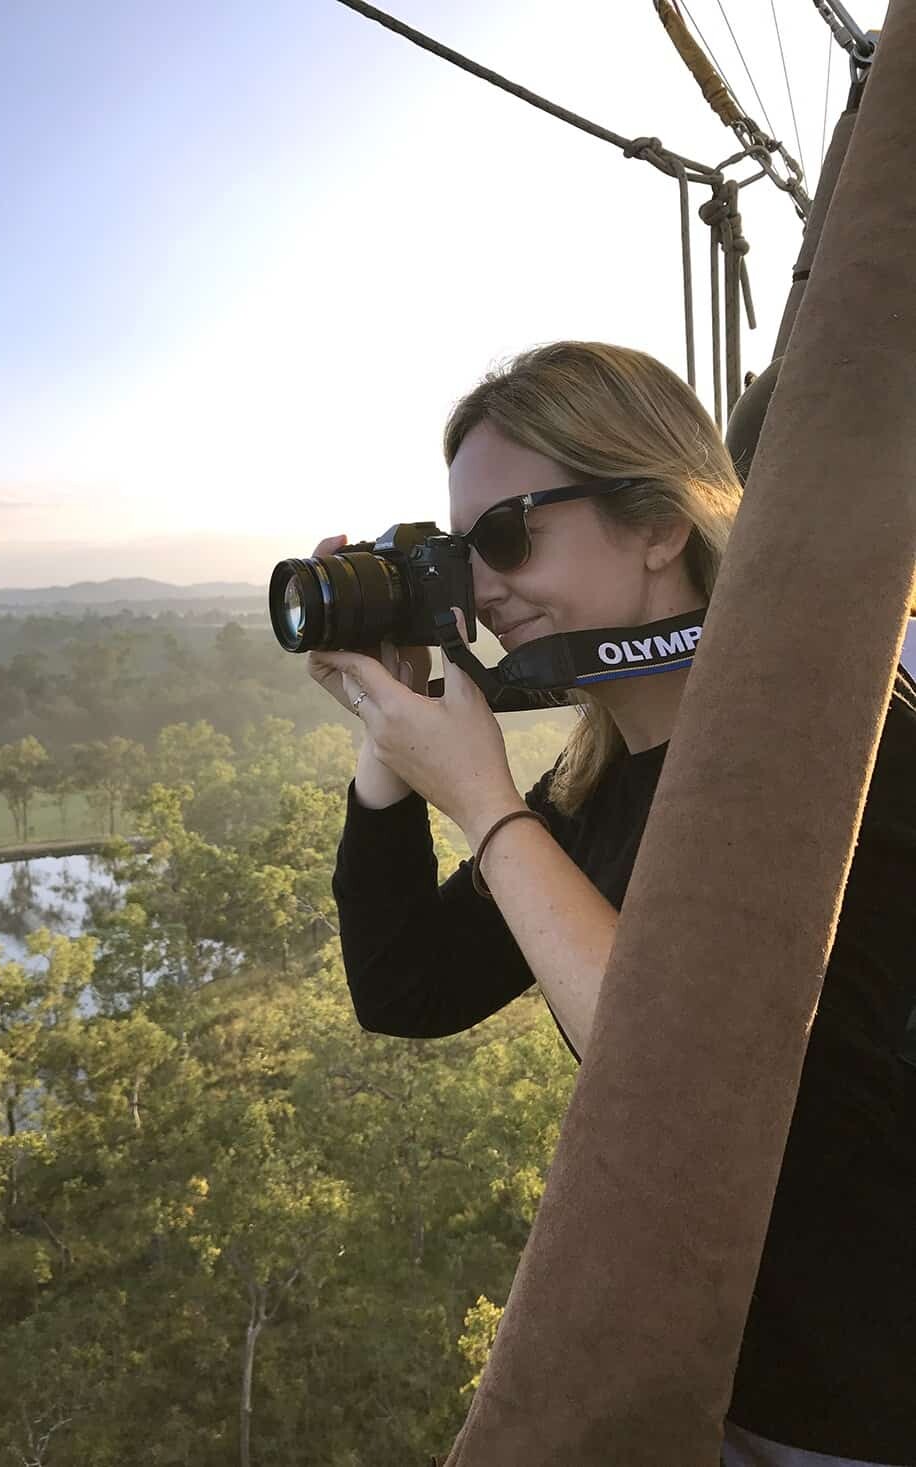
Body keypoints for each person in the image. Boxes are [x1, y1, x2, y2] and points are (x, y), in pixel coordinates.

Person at [306, 341, 916, 1467]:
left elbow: (687, 1092)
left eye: (507, 535)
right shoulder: (592, 784)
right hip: (717, 1393)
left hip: (869, 1405)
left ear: (655, 524)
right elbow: (406, 988)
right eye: (459, 551)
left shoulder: (846, 745)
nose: (481, 588)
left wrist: (485, 807)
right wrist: (390, 750)